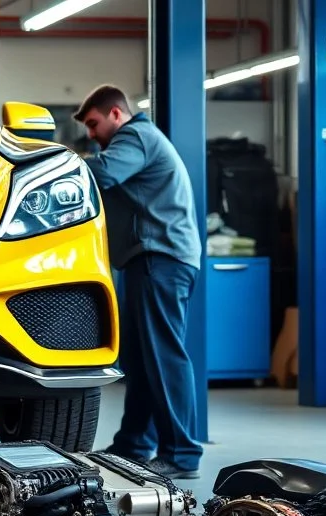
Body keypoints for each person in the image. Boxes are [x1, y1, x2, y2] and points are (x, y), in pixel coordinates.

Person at [73, 84, 203, 480]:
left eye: (94, 124)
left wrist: (64, 162)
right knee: (142, 359)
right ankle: (133, 443)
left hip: (160, 257)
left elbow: (106, 173)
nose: (91, 134)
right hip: (148, 259)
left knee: (164, 356)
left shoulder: (135, 136)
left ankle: (182, 453)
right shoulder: (138, 139)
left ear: (116, 114)